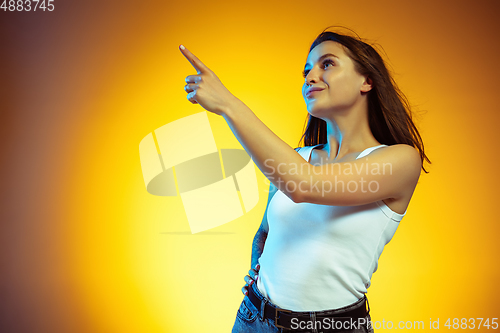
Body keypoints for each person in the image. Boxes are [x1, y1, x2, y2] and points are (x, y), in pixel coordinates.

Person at [180, 27, 430, 333]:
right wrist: (258, 271)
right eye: (307, 71)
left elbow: (304, 185)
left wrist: (228, 104)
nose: (310, 77)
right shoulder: (298, 157)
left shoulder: (401, 161)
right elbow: (265, 232)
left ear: (367, 81)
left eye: (327, 64)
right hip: (253, 320)